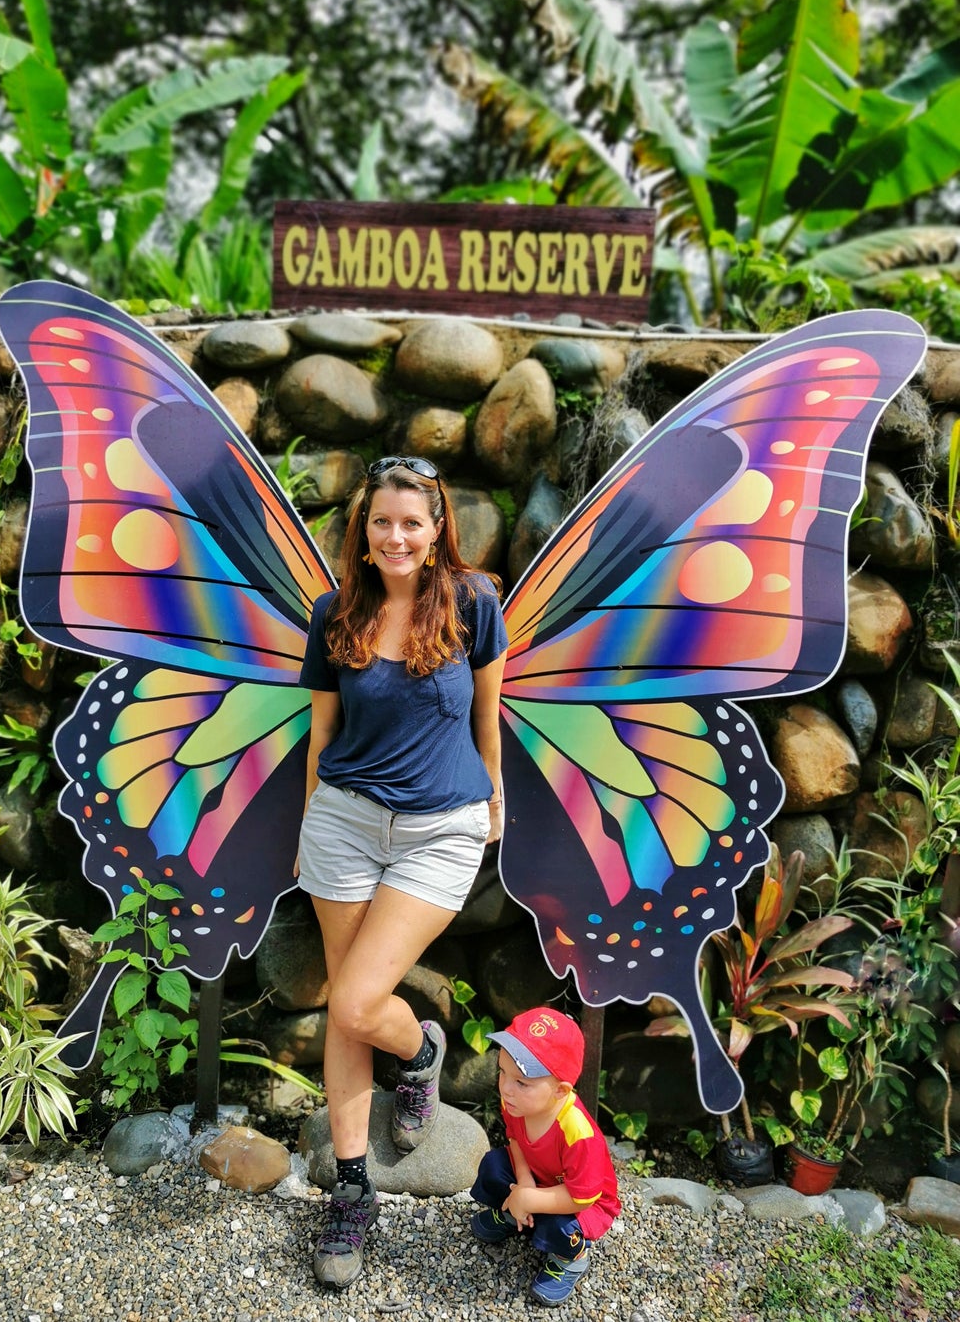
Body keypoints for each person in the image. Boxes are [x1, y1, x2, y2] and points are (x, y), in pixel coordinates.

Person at [295, 456, 508, 1289]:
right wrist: (309, 822)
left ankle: (420, 1053)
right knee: (346, 1014)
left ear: (437, 527)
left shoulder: (473, 603)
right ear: (364, 528)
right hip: (343, 821)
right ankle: (352, 1188)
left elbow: (489, 710)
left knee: (354, 1000)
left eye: (411, 522)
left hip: (439, 830)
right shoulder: (335, 612)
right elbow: (322, 736)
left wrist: (497, 794)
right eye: (382, 521)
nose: (395, 536)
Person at [469, 1007, 622, 1307]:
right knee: (493, 1166)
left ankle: (572, 1258)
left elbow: (582, 1198)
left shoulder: (577, 1133)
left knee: (561, 1225)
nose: (506, 1088)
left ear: (560, 1090)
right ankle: (515, 1215)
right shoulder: (515, 1103)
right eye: (502, 1072)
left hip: (582, 1200)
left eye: (521, 1082)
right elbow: (515, 1139)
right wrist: (524, 1185)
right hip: (540, 1177)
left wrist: (530, 1200)